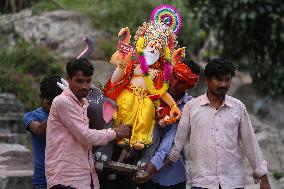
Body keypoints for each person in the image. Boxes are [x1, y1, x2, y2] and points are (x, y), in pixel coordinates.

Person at [166, 58, 271, 189]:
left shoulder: (238, 108)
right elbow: (177, 146)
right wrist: (153, 167)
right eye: (218, 79)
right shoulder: (191, 108)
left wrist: (263, 177)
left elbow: (250, 143)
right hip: (202, 183)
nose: (223, 84)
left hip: (233, 182)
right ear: (207, 80)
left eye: (227, 79)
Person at [45, 58, 132, 189]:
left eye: (88, 81)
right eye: (79, 81)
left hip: (85, 178)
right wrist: (116, 132)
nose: (84, 86)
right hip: (65, 179)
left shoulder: (83, 104)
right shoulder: (63, 102)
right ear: (68, 79)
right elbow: (84, 136)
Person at [136, 59, 200, 189]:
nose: (174, 84)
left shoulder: (189, 107)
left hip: (172, 178)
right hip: (139, 168)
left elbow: (171, 139)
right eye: (174, 77)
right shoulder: (150, 95)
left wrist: (153, 166)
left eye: (181, 82)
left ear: (189, 85)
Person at [23, 76, 63, 189]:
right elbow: (38, 130)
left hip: (66, 179)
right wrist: (58, 111)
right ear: (41, 98)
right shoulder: (31, 116)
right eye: (50, 104)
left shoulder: (69, 114)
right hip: (42, 180)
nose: (52, 108)